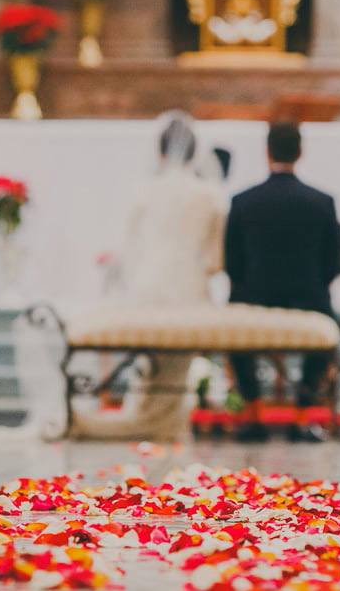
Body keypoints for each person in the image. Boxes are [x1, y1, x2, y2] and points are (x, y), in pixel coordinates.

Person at [70, 112, 226, 441]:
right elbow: (214, 261)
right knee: (180, 352)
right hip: (190, 291)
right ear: (197, 152)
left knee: (151, 358)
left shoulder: (143, 191)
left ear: (159, 152)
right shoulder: (210, 195)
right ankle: (169, 419)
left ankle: (149, 416)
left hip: (147, 289)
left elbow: (130, 252)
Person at [224, 122, 340, 443]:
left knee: (233, 331)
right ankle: (302, 417)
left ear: (267, 152)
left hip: (254, 298)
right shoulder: (321, 202)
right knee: (327, 330)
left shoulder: (243, 201)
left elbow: (232, 262)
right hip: (308, 299)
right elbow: (332, 262)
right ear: (300, 152)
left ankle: (253, 413)